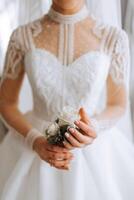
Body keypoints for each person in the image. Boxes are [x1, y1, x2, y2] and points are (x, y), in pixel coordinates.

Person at [0, 0, 134, 199]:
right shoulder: (22, 36)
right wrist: (34, 140)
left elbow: (118, 104)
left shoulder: (113, 37)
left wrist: (94, 127)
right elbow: (6, 102)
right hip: (34, 144)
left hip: (95, 150)